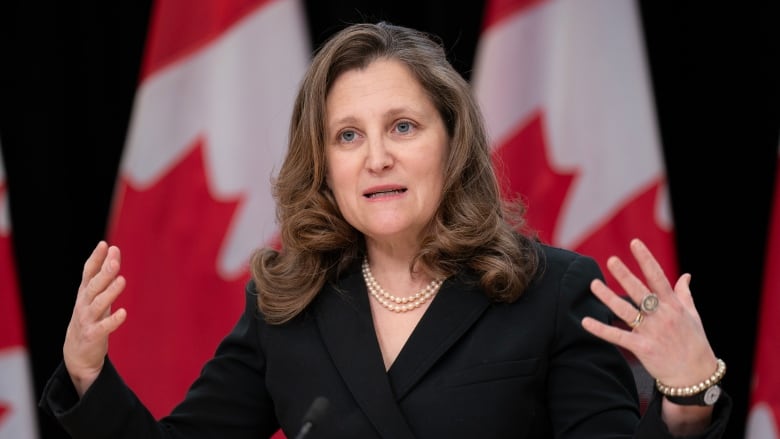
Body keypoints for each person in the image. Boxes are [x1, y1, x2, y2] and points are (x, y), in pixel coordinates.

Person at [39, 21, 731, 438]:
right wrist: (87, 372)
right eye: (347, 135)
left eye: (402, 126)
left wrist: (688, 399)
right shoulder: (288, 307)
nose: (377, 157)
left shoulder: (553, 291)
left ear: (450, 140)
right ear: (325, 165)